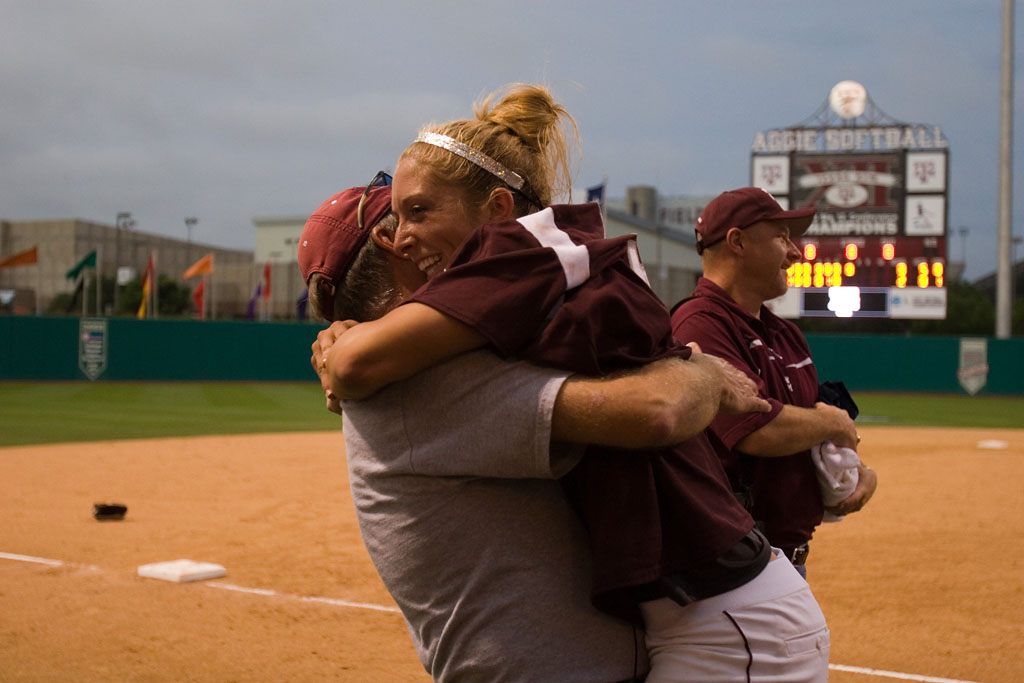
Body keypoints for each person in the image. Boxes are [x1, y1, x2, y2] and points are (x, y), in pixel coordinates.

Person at [318, 84, 830, 682]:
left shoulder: (522, 262)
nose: (403, 235)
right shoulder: (553, 262)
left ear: (498, 211)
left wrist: (340, 344)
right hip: (715, 606)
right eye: (392, 223)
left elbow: (357, 366)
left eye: (419, 211)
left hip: (729, 616)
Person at [670, 186, 879, 577]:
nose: (795, 252)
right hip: (734, 558)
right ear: (738, 242)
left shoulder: (784, 333)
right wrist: (836, 423)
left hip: (785, 555)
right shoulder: (700, 324)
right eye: (782, 237)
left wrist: (855, 469)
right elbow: (756, 431)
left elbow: (807, 428)